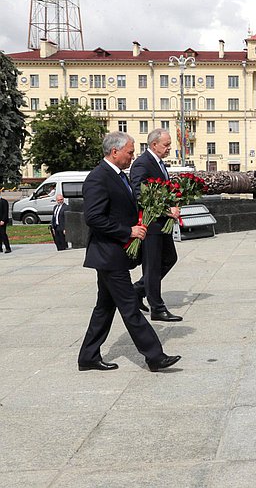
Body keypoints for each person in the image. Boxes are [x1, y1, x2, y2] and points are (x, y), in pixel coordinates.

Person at [78, 132, 180, 373]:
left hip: (115, 254)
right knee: (130, 307)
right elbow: (93, 218)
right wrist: (128, 231)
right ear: (115, 152)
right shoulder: (98, 178)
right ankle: (154, 356)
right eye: (130, 152)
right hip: (108, 254)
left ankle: (88, 356)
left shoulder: (118, 176)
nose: (133, 157)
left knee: (104, 308)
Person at [129, 128, 182, 322]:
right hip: (150, 223)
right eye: (166, 145)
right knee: (152, 267)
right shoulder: (142, 163)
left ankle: (137, 290)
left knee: (169, 258)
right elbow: (140, 193)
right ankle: (157, 308)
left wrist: (174, 204)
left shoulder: (159, 163)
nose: (169, 148)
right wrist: (167, 210)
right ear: (154, 145)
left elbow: (162, 190)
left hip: (162, 223)